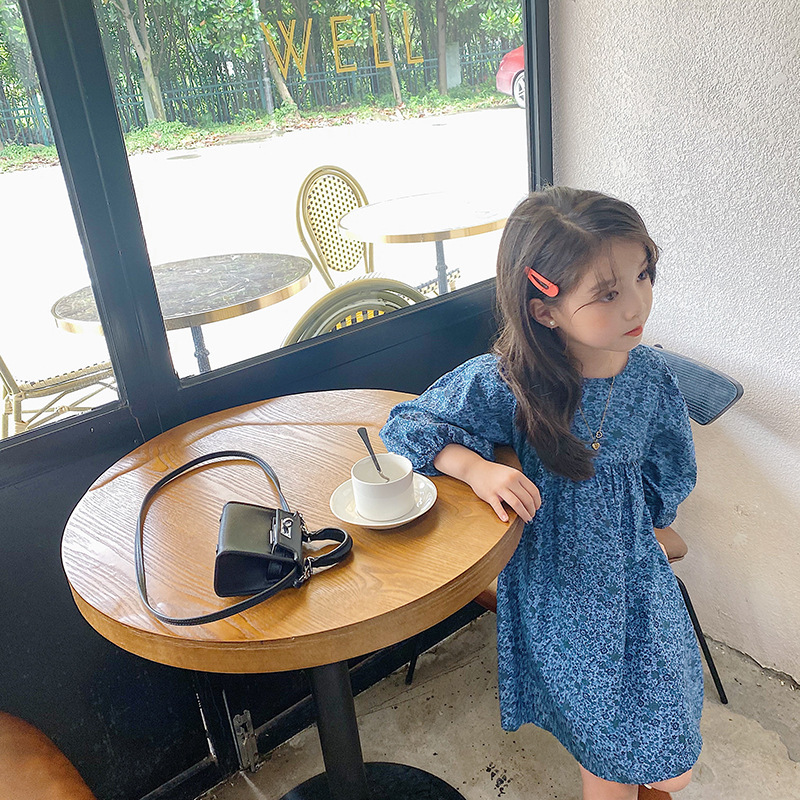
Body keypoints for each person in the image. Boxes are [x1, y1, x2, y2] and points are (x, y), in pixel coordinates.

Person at [380, 187, 703, 800]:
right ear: (545, 310)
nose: (638, 304)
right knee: (612, 751)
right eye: (607, 293)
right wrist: (475, 469)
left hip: (634, 571)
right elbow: (407, 425)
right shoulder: (510, 383)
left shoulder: (652, 376)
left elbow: (670, 464)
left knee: (672, 758)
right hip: (557, 584)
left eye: (643, 275)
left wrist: (647, 525)